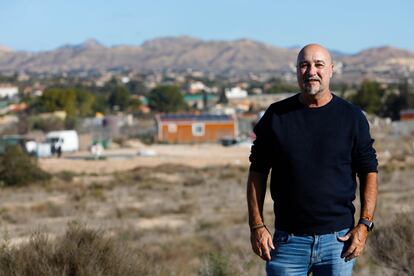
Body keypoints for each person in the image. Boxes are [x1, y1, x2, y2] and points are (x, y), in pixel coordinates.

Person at [246, 44, 378, 276]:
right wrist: (256, 226)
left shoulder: (351, 117)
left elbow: (369, 171)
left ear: (331, 70)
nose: (311, 71)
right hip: (287, 243)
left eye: (319, 65)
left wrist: (364, 224)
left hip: (338, 242)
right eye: (304, 65)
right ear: (297, 71)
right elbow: (257, 172)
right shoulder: (276, 116)